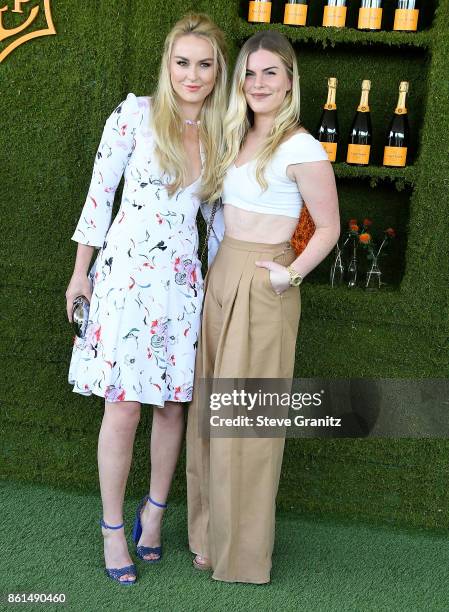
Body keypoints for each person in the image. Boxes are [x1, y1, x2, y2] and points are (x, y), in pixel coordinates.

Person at [65, 13, 227, 585]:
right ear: (168, 63)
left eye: (204, 64)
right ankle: (114, 528)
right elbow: (99, 194)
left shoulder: (221, 132)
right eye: (183, 62)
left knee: (171, 406)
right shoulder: (133, 115)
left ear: (217, 71)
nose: (193, 74)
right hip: (124, 278)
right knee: (123, 405)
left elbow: (220, 220)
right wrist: (80, 273)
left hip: (182, 286)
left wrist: (231, 288)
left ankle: (153, 515)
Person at [186, 30, 340, 584]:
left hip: (265, 281)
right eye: (250, 73)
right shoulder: (236, 135)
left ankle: (243, 556)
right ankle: (206, 537)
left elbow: (329, 228)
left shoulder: (301, 146)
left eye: (269, 72)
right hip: (223, 276)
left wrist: (289, 274)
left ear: (290, 80)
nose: (257, 83)